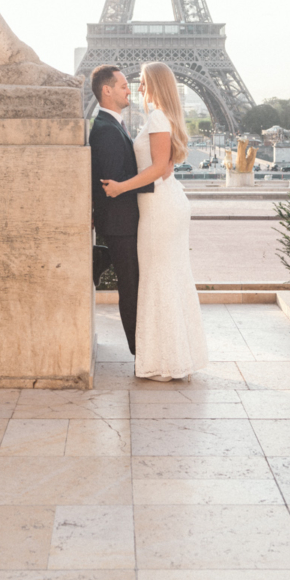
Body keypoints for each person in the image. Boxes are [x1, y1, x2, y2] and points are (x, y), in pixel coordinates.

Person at [101, 62, 209, 382]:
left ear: (156, 85)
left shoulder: (158, 117)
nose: (139, 89)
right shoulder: (164, 116)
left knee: (158, 279)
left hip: (159, 206)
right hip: (161, 203)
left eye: (145, 83)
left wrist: (120, 187)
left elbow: (160, 168)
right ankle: (173, 357)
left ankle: (165, 361)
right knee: (167, 278)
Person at [89, 65, 152, 356]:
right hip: (120, 223)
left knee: (133, 284)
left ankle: (101, 255)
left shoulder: (112, 125)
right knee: (131, 287)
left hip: (121, 222)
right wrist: (153, 183)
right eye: (124, 85)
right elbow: (113, 183)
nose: (129, 89)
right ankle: (139, 351)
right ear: (107, 90)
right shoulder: (106, 130)